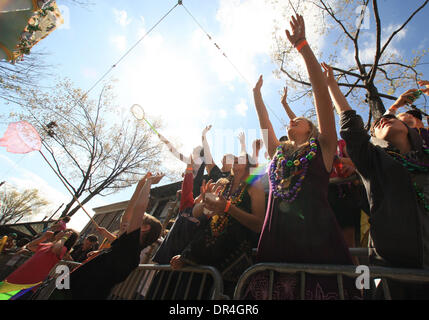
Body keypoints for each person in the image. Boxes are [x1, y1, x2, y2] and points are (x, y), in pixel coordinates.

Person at [244, 14, 360, 300]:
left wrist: (303, 46)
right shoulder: (278, 154)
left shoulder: (323, 146)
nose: (292, 121)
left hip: (318, 248)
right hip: (274, 247)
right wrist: (257, 96)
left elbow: (321, 95)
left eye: (299, 119)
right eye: (289, 121)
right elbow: (264, 123)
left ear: (311, 127)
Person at [324, 62, 429, 298]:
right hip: (391, 276)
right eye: (379, 122)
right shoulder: (375, 163)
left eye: (395, 117)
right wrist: (331, 85)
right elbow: (351, 125)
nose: (384, 119)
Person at [50, 172, 164, 300]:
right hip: (69, 288)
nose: (129, 220)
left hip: (78, 294)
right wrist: (141, 184)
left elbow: (139, 208)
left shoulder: (130, 249)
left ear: (144, 228)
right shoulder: (125, 245)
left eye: (138, 220)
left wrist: (149, 183)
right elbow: (128, 214)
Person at [170, 154, 266, 297]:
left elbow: (259, 224)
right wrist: (205, 201)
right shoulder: (223, 185)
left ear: (249, 164)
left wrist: (228, 208)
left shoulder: (254, 185)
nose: (234, 161)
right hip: (203, 254)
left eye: (239, 159)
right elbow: (202, 214)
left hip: (232, 259)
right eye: (234, 158)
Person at [0, 230, 78, 298]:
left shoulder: (62, 249)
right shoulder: (49, 244)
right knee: (2, 296)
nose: (61, 232)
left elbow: (55, 249)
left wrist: (63, 238)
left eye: (64, 232)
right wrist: (44, 237)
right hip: (16, 276)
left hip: (28, 283)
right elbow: (31, 246)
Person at [158, 132, 206, 197]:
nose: (193, 151)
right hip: (191, 190)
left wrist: (166, 141)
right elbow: (176, 153)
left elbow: (176, 153)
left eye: (194, 150)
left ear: (198, 152)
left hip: (194, 191)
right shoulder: (195, 161)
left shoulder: (199, 160)